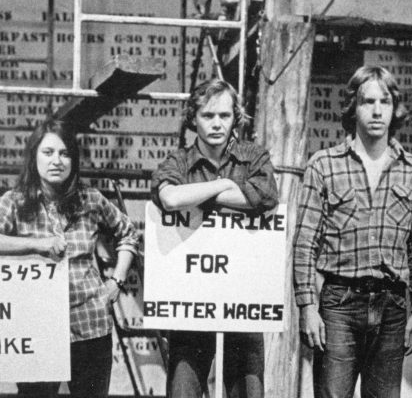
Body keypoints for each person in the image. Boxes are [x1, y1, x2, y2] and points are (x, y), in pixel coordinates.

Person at [293, 65, 412, 398]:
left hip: (393, 305)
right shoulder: (323, 165)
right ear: (353, 107)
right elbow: (304, 243)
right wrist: (307, 307)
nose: (377, 110)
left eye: (385, 101)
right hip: (339, 303)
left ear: (395, 108)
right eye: (368, 101)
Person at [151, 78, 278, 398]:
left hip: (243, 300)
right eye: (208, 116)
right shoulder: (178, 161)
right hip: (193, 300)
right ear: (193, 118)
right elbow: (171, 198)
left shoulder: (254, 157)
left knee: (248, 390)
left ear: (235, 116)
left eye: (224, 115)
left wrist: (202, 194)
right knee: (183, 389)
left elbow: (264, 196)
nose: (217, 123)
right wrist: (224, 186)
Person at [0, 119, 139, 398]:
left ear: (73, 161)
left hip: (89, 324)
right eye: (48, 152)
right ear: (33, 157)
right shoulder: (13, 202)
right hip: (37, 327)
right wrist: (36, 245)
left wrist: (117, 281)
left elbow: (128, 234)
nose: (57, 161)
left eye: (65, 154)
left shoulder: (91, 200)